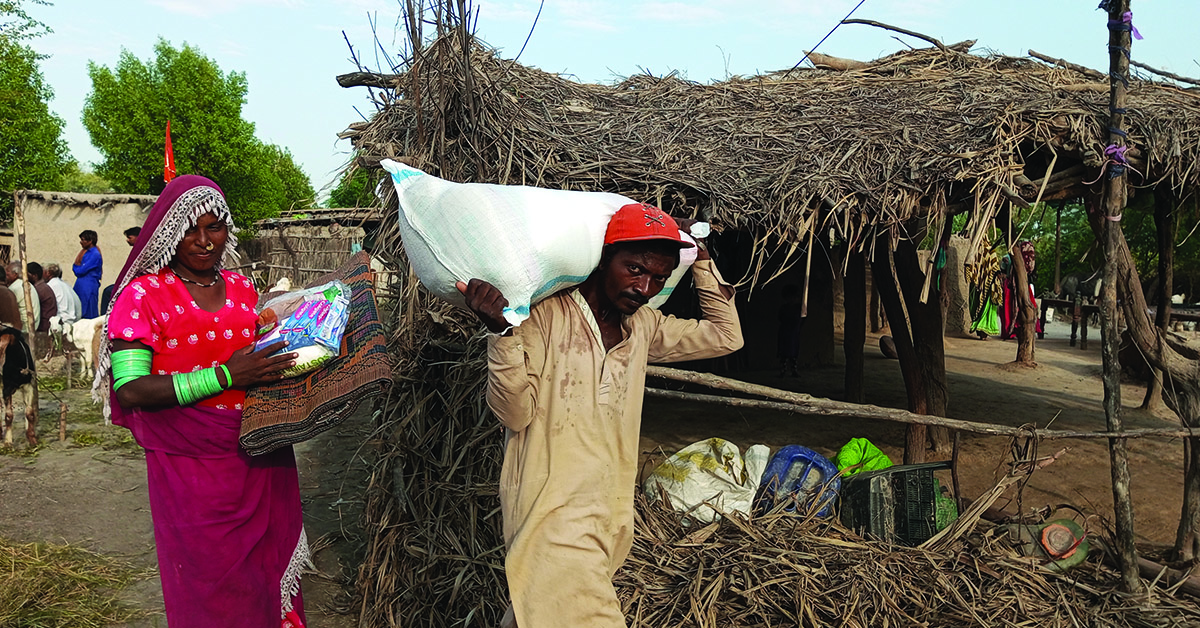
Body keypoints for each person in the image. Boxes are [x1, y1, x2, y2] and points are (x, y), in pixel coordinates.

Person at [458, 203, 743, 628]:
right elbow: (514, 414)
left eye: (659, 279)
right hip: (550, 513)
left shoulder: (644, 327)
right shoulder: (544, 316)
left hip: (611, 517)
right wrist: (501, 336)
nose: (645, 288)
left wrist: (701, 258)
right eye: (634, 269)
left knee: (534, 614)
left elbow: (726, 336)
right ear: (604, 259)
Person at [93, 175, 308, 628]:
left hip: (259, 457)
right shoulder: (142, 296)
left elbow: (260, 358)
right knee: (210, 586)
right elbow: (130, 389)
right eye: (190, 229)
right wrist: (227, 375)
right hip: (191, 473)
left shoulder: (243, 289)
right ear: (167, 232)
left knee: (264, 573)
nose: (205, 241)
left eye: (215, 227)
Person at [73, 229, 103, 318]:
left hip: (88, 286)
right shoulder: (85, 252)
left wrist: (76, 267)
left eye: (83, 240)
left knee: (88, 310)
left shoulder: (95, 254)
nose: (81, 242)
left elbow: (80, 270)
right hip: (82, 284)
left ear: (90, 241)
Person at [776, 284, 803, 376]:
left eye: (794, 297)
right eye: (789, 298)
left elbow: (802, 318)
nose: (792, 300)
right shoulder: (784, 308)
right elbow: (780, 318)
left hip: (794, 333)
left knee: (794, 353)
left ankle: (794, 370)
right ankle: (783, 370)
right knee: (783, 353)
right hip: (785, 332)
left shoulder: (798, 308)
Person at [6, 261, 40, 332]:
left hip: (25, 327)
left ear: (15, 275)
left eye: (7, 272)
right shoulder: (27, 284)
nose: (6, 275)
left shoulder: (15, 287)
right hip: (33, 325)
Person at [27, 262, 56, 333]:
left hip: (43, 327)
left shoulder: (39, 290)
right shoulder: (43, 287)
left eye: (27, 275)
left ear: (34, 276)